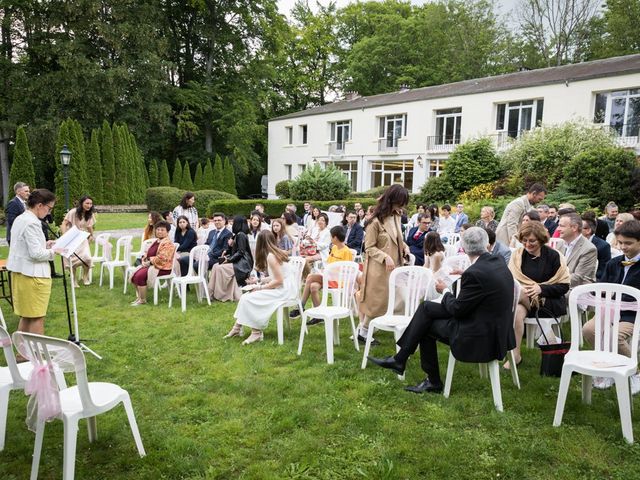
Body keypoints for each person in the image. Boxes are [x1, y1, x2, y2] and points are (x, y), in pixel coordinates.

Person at [367, 228, 516, 394]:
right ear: (487, 245)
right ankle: (400, 359)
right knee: (427, 307)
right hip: (497, 328)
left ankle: (429, 378)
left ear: (465, 248)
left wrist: (444, 290)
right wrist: (466, 274)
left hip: (480, 336)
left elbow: (458, 310)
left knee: (426, 326)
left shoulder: (475, 273)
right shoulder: (497, 261)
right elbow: (481, 287)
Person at [582, 220, 640, 392]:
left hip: (633, 314)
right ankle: (609, 365)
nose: (623, 247)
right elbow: (603, 287)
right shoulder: (613, 264)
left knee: (614, 337)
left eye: (628, 243)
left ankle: (634, 371)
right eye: (620, 242)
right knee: (589, 330)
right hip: (610, 309)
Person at [507, 222, 570, 368]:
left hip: (549, 303)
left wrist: (541, 289)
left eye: (532, 241)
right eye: (524, 240)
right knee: (516, 313)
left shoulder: (554, 256)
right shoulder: (517, 255)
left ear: (541, 240)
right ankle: (515, 355)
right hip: (524, 302)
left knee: (517, 298)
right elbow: (510, 279)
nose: (527, 244)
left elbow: (564, 286)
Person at [225, 231, 296, 345]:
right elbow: (275, 276)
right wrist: (257, 281)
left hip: (284, 291)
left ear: (260, 243)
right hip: (284, 287)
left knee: (251, 298)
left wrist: (260, 288)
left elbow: (278, 281)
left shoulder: (271, 257)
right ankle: (237, 328)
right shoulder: (273, 253)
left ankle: (256, 333)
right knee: (246, 296)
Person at [6, 189, 61, 337]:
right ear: (39, 205)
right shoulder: (32, 223)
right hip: (33, 276)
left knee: (26, 315)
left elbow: (25, 246)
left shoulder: (21, 218)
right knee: (37, 316)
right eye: (49, 208)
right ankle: (35, 356)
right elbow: (35, 254)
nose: (48, 213)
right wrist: (54, 251)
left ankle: (23, 355)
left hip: (21, 274)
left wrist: (46, 244)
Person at [358, 184, 409, 342]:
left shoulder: (397, 216)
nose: (403, 206)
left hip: (396, 267)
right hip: (379, 268)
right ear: (393, 199)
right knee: (378, 302)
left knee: (402, 298)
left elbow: (398, 238)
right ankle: (365, 331)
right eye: (401, 201)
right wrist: (385, 257)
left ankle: (399, 329)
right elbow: (369, 247)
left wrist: (405, 247)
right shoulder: (375, 221)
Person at [291, 226, 353, 323]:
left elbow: (346, 271)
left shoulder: (346, 251)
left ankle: (300, 306)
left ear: (335, 238)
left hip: (338, 280)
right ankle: (319, 315)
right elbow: (329, 263)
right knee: (313, 287)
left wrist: (329, 272)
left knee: (310, 277)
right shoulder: (334, 248)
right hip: (329, 277)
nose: (330, 239)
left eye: (331, 237)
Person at [208, 215, 254, 302]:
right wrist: (230, 246)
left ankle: (220, 294)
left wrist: (228, 260)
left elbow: (241, 252)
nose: (232, 224)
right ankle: (212, 292)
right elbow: (233, 251)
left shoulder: (241, 235)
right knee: (215, 266)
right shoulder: (237, 235)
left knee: (220, 268)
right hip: (238, 262)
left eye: (234, 222)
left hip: (243, 264)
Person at [130, 221, 176, 306]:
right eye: (158, 229)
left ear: (167, 232)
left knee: (140, 275)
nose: (159, 231)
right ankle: (139, 297)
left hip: (163, 268)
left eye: (162, 230)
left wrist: (149, 261)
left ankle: (142, 300)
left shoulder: (168, 243)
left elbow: (163, 258)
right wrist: (144, 260)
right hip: (152, 265)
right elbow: (147, 253)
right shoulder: (156, 241)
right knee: (135, 274)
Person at [61, 195, 96, 286]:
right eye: (87, 203)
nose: (89, 205)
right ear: (81, 203)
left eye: (91, 204)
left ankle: (85, 276)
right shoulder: (73, 212)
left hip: (82, 238)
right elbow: (64, 224)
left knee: (87, 258)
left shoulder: (89, 214)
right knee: (72, 260)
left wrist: (91, 235)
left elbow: (89, 226)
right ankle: (74, 279)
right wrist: (65, 237)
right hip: (71, 238)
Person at [556, 212, 597, 289]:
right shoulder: (560, 244)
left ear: (574, 228)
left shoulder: (589, 249)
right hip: (559, 285)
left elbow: (578, 278)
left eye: (561, 226)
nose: (558, 229)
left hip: (576, 289)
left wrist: (551, 282)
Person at [581, 217, 611, 281]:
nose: (575, 230)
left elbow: (603, 270)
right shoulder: (573, 243)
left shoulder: (603, 246)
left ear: (588, 230)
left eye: (579, 228)